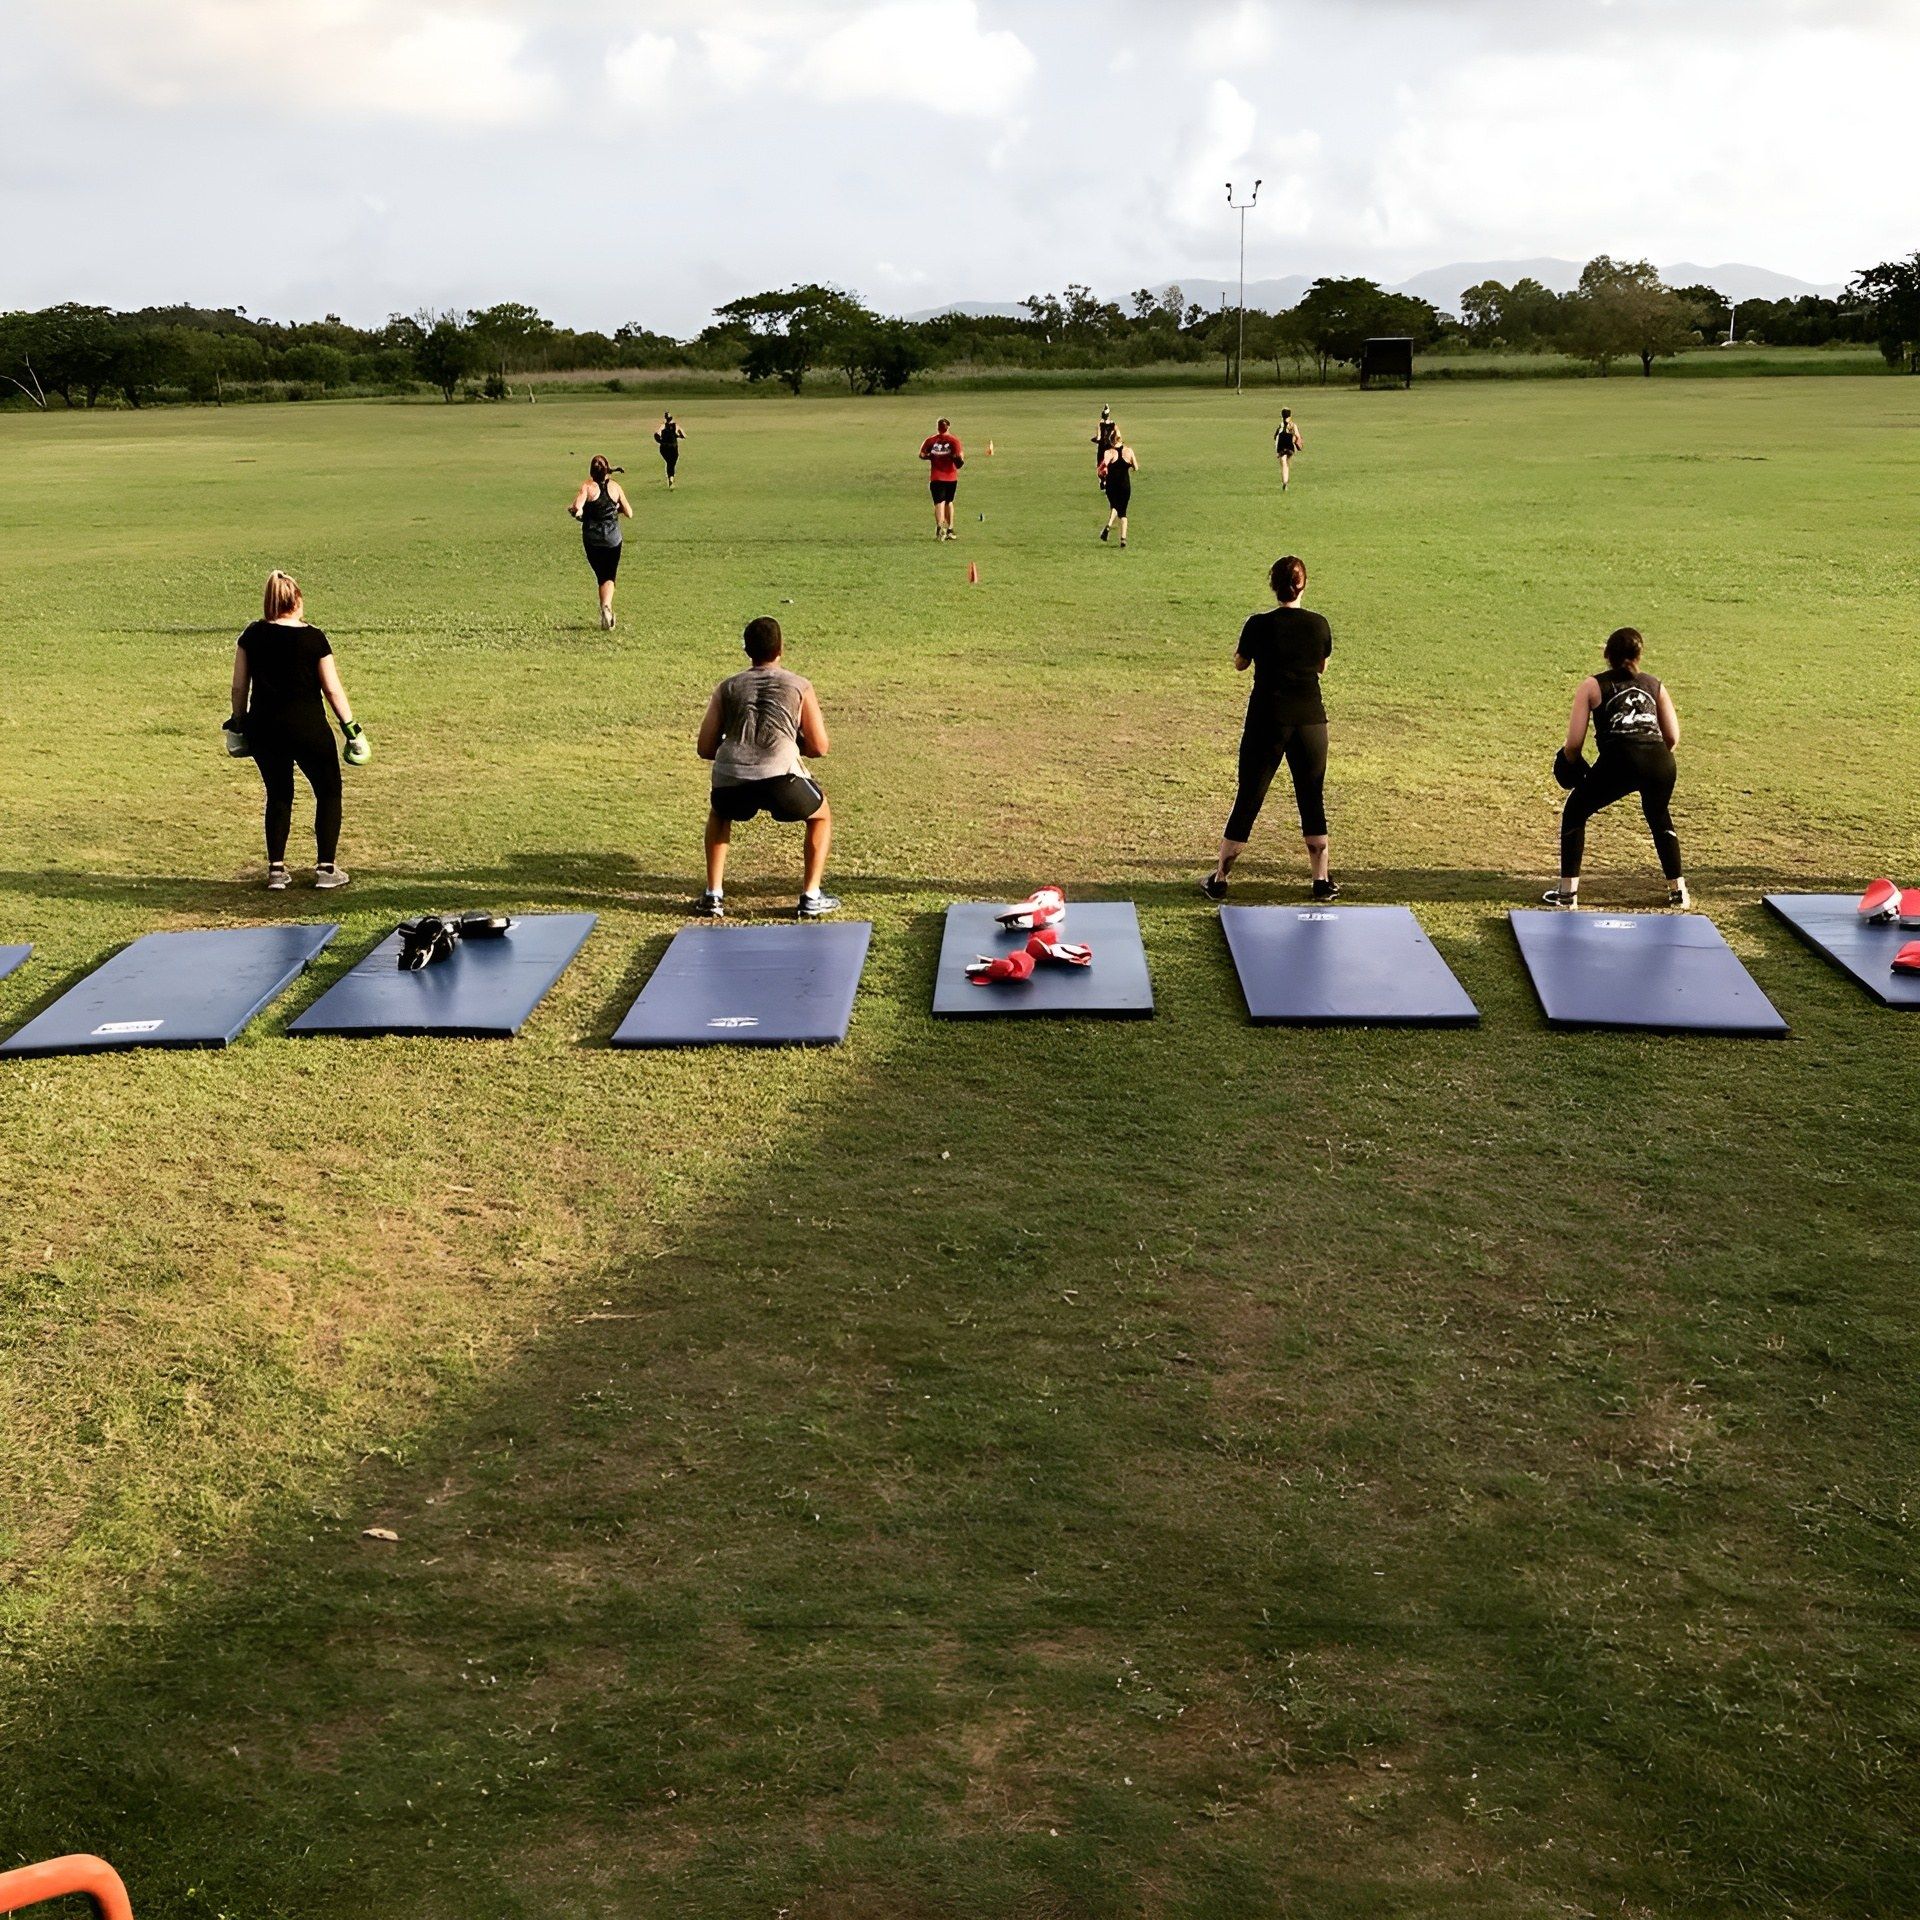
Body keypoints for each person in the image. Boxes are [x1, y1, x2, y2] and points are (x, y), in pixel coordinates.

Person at [1201, 554, 1337, 903]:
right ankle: (1321, 881)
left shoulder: (1257, 624)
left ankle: (1220, 879)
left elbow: (1239, 664)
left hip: (1267, 719)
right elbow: (1321, 667)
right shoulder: (1319, 624)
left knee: (1249, 796)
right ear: (1303, 585)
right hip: (1310, 721)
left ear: (1274, 587)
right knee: (1312, 796)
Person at [228, 569, 366, 891]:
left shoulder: (252, 636)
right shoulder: (313, 638)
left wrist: (238, 723)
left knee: (278, 794)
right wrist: (352, 729)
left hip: (264, 728)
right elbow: (332, 690)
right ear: (297, 600)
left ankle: (276, 871)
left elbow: (239, 687)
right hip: (308, 729)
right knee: (329, 791)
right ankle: (326, 869)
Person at [695, 616, 839, 919]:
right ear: (781, 647)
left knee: (720, 813)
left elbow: (705, 748)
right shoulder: (800, 686)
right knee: (821, 815)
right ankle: (811, 896)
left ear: (747, 649)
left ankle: (713, 895)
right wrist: (791, 741)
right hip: (782, 781)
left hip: (731, 781)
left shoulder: (727, 687)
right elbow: (820, 747)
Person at [1545, 627, 1689, 909]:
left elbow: (1574, 743)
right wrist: (1650, 763)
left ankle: (1567, 894)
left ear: (1607, 655)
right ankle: (1678, 892)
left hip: (1620, 759)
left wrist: (1572, 764)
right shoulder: (1655, 685)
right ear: (1640, 654)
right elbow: (1672, 738)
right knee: (1658, 816)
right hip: (1661, 761)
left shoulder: (1592, 685)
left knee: (1575, 811)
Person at [568, 454, 631, 629]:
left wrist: (576, 511)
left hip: (592, 540)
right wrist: (614, 510)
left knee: (602, 577)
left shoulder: (587, 487)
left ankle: (606, 611)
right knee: (609, 577)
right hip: (613, 540)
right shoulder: (615, 487)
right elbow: (629, 512)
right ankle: (606, 608)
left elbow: (578, 508)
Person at [918, 418, 964, 540]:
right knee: (949, 502)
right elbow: (960, 459)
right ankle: (950, 529)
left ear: (938, 427)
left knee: (939, 503)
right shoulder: (954, 441)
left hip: (936, 477)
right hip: (951, 477)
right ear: (948, 427)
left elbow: (921, 454)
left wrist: (931, 456)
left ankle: (940, 528)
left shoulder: (931, 440)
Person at [1099, 439, 1138, 546]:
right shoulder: (1129, 451)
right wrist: (1129, 466)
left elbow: (1103, 468)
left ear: (1111, 442)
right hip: (1125, 485)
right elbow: (1136, 467)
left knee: (1114, 506)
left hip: (1112, 484)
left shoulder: (1109, 452)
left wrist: (1102, 477)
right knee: (1123, 512)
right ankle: (1123, 539)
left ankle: (1108, 525)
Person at [1273, 408, 1302, 490]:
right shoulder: (1293, 425)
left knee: (1283, 463)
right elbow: (1298, 436)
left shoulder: (1280, 425)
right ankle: (1286, 482)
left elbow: (1275, 437)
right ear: (1290, 415)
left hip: (1281, 445)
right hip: (1290, 445)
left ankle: (1284, 482)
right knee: (1287, 463)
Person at [654, 413, 684, 488]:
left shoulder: (662, 426)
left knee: (669, 463)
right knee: (672, 464)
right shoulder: (675, 425)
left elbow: (656, 435)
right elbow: (682, 435)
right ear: (671, 418)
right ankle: (671, 478)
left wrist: (662, 442)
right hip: (673, 448)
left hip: (664, 449)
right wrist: (678, 436)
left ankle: (670, 478)